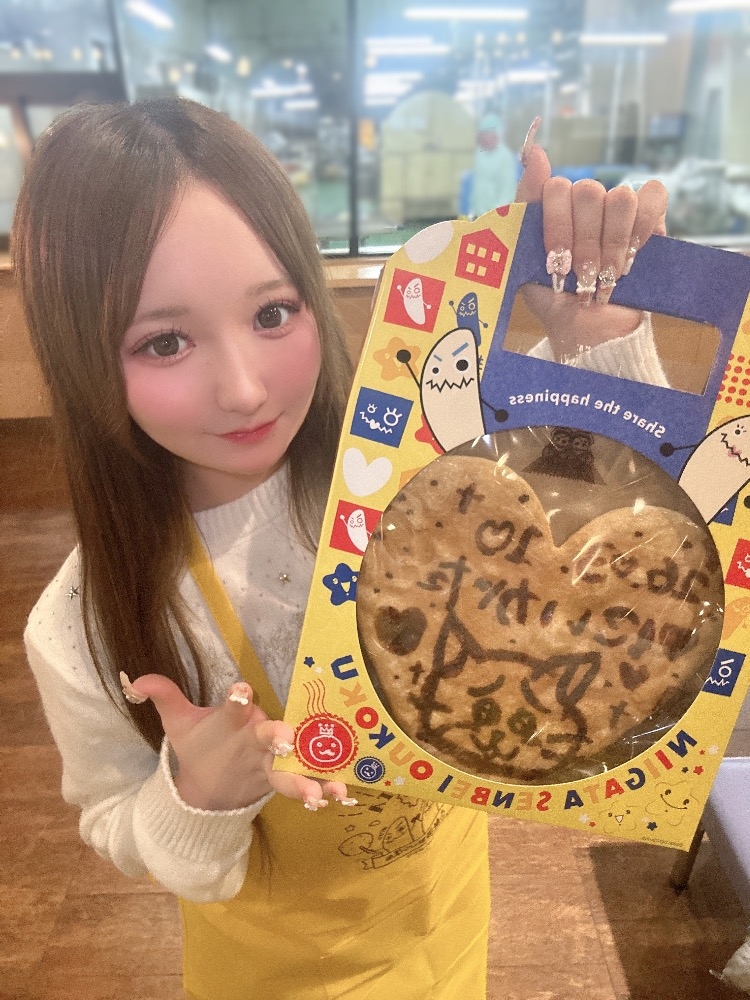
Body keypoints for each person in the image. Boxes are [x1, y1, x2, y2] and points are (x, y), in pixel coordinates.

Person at [14, 97, 668, 1000]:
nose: (245, 389)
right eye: (164, 341)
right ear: (80, 357)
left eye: (272, 313)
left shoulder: (418, 475)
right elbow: (114, 823)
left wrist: (593, 343)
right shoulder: (79, 624)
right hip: (268, 976)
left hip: (446, 923)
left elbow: (610, 569)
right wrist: (195, 797)